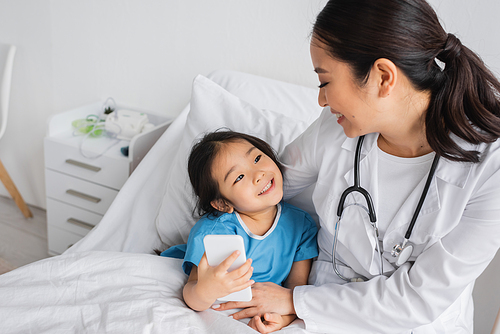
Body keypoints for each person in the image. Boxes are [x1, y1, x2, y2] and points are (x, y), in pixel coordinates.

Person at [212, 0, 500, 333]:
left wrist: (295, 301)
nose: (321, 99)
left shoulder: (490, 168)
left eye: (325, 82)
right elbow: (268, 193)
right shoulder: (337, 126)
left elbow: (418, 299)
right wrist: (217, 243)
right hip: (318, 307)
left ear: (382, 77)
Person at [160, 130, 318, 333]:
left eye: (257, 158)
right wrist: (207, 290)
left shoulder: (302, 225)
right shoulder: (213, 233)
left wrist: (284, 318)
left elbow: (295, 290)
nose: (258, 173)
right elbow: (191, 295)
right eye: (239, 177)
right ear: (222, 203)